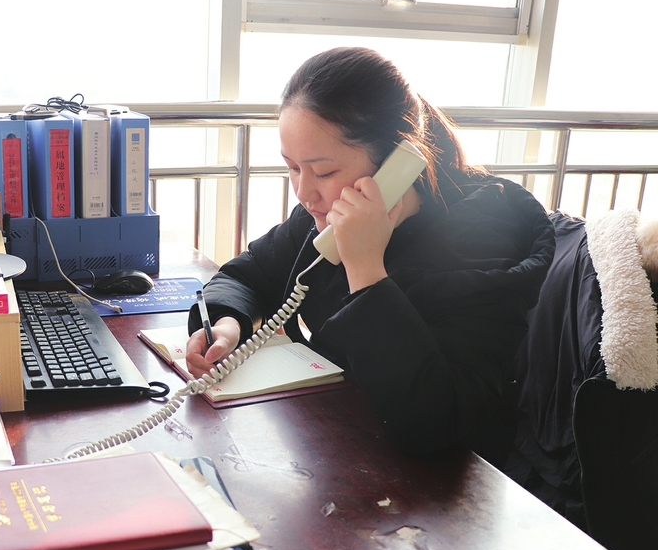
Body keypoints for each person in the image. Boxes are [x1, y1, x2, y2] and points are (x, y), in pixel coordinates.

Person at [185, 47, 556, 466]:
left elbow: (435, 423)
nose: (304, 193)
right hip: (338, 446)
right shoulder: (324, 215)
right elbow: (247, 275)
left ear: (399, 161)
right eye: (292, 168)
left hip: (444, 488)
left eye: (323, 172)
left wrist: (365, 270)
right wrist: (227, 324)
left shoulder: (483, 238)